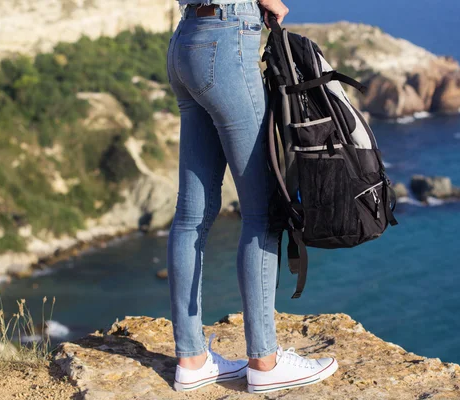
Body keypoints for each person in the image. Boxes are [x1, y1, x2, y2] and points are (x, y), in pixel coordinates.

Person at [166, 0, 338, 393]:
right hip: (226, 36)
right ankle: (265, 361)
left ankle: (191, 360)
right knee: (262, 215)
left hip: (185, 39)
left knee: (191, 216)